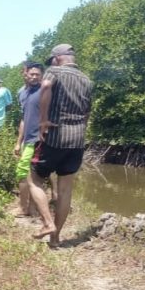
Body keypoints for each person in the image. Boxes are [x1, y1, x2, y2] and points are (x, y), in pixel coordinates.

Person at [30, 44, 93, 246]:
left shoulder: (53, 72)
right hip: (77, 140)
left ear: (57, 58)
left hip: (55, 135)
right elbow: (87, 112)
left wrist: (43, 120)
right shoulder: (87, 80)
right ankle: (55, 239)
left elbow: (46, 86)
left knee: (33, 179)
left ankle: (48, 224)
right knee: (65, 188)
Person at [13, 62, 44, 216]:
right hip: (28, 140)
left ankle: (25, 208)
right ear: (26, 74)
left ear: (42, 76)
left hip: (40, 140)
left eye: (37, 74)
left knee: (25, 173)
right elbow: (24, 120)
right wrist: (19, 142)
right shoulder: (23, 93)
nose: (33, 77)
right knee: (27, 174)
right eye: (31, 74)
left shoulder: (45, 91)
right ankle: (28, 208)